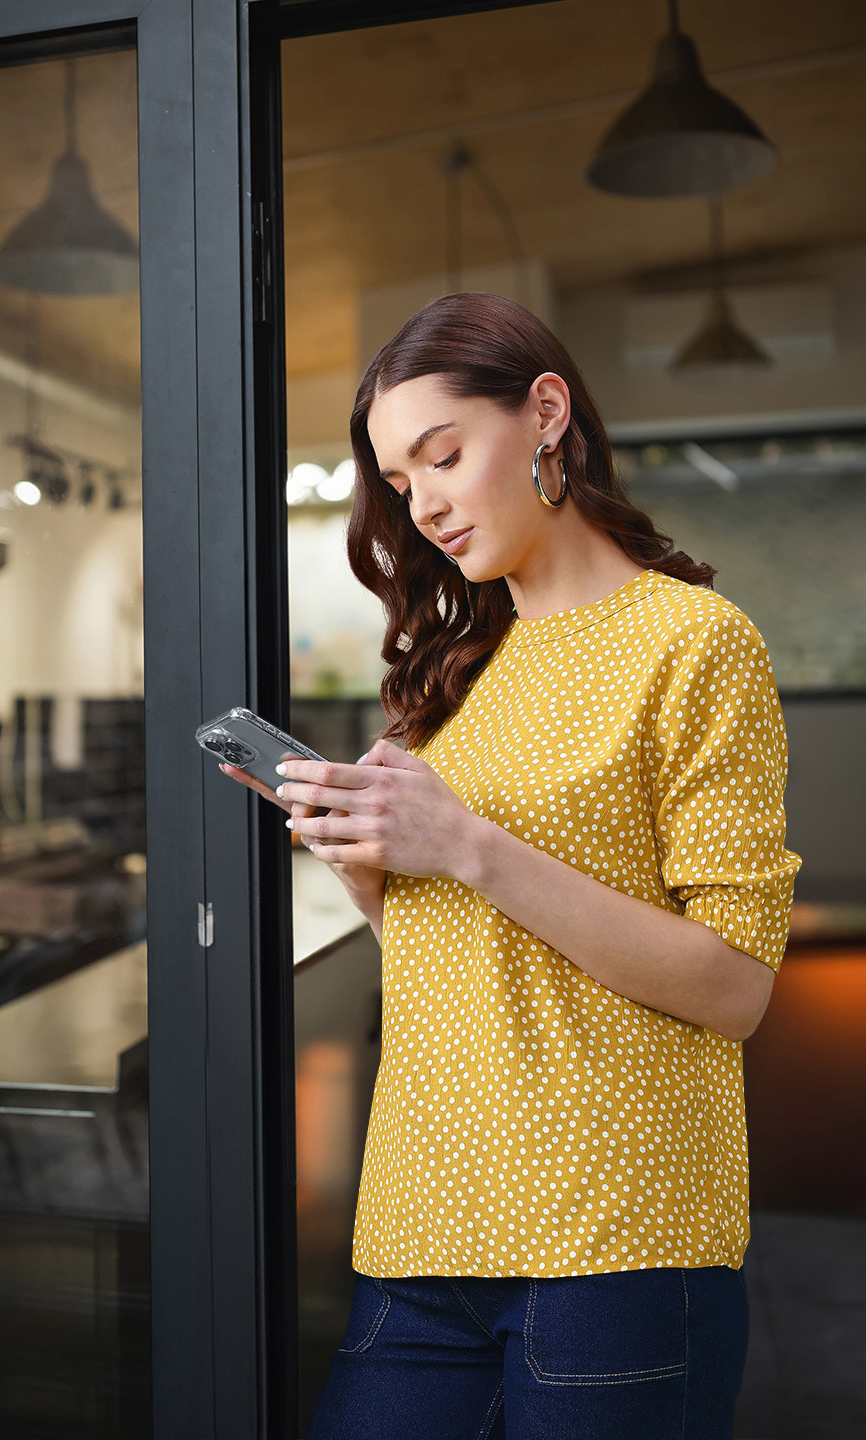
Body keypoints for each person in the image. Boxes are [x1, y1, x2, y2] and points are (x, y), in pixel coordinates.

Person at [220, 292, 802, 1440]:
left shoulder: (692, 641)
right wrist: (375, 870)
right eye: (398, 481)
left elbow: (735, 987)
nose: (423, 503)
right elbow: (464, 962)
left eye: (442, 455)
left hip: (617, 1240)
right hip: (423, 1224)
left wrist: (468, 847)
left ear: (545, 414)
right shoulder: (456, 675)